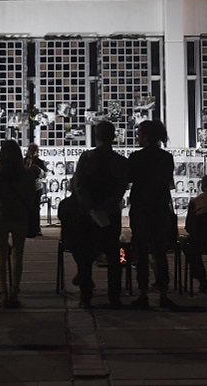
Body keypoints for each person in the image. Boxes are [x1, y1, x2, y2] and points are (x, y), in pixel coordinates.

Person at [69, 121, 130, 309]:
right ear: (113, 137)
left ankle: (86, 296)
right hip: (110, 213)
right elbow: (121, 187)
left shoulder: (87, 158)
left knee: (86, 257)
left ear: (96, 136)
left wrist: (90, 206)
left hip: (88, 214)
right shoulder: (120, 161)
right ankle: (114, 297)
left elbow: (79, 184)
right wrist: (107, 205)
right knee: (113, 256)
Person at [127, 119, 177, 309]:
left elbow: (129, 178)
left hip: (141, 209)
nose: (138, 137)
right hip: (160, 208)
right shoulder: (166, 158)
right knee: (160, 253)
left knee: (141, 253)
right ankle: (163, 292)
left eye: (140, 133)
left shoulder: (136, 157)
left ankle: (143, 293)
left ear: (146, 136)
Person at [0, 140, 38, 309]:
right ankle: (14, 293)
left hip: (1, 216)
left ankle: (2, 292)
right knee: (18, 254)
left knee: (1, 254)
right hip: (20, 216)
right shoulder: (27, 175)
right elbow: (31, 197)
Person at [24, 143, 48, 237]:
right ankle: (27, 228)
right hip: (26, 187)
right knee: (27, 208)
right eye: (30, 150)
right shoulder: (23, 160)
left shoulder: (40, 162)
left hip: (36, 187)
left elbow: (44, 175)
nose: (32, 152)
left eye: (34, 150)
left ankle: (36, 228)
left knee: (35, 208)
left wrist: (38, 169)